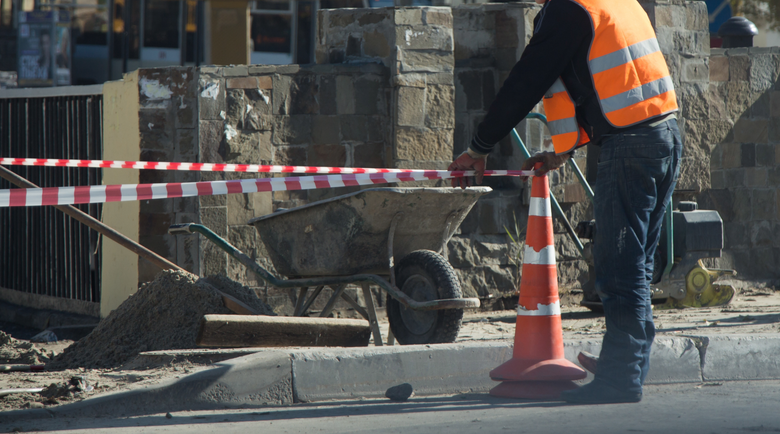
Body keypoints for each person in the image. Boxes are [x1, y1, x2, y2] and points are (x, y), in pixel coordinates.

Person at [448, 0, 682, 404]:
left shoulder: (568, 9)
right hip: (664, 137)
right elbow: (607, 82)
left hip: (628, 147)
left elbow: (529, 80)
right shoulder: (611, 3)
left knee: (618, 269)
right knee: (636, 264)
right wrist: (562, 152)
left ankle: (619, 379)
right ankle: (625, 364)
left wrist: (480, 145)